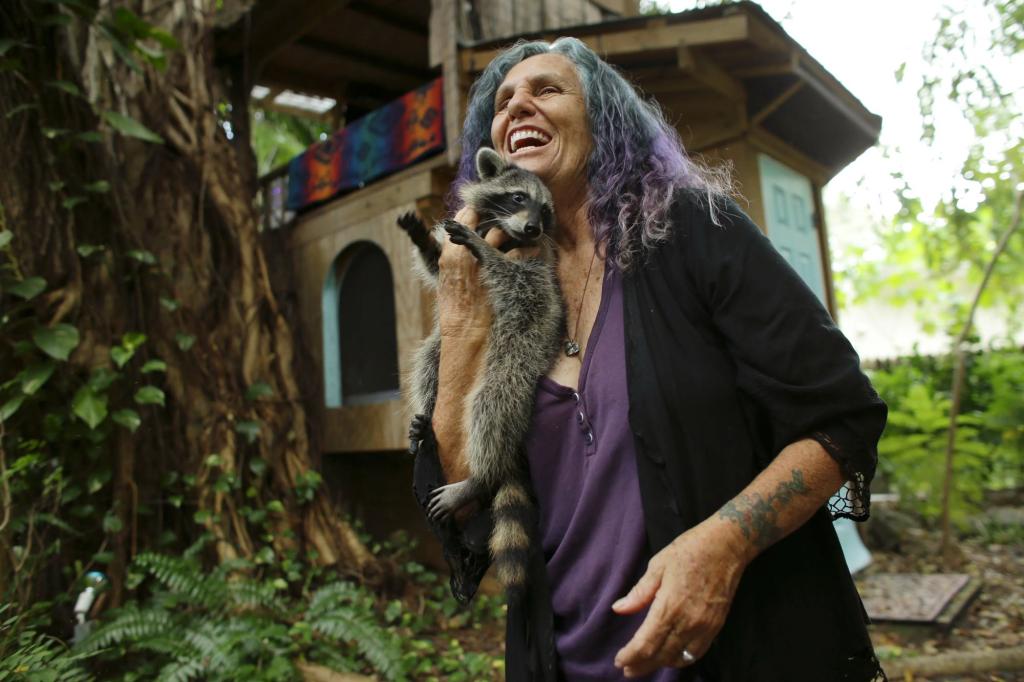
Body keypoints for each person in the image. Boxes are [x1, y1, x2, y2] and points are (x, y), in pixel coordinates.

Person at [410, 36, 888, 682]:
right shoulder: (494, 285)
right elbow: (459, 505)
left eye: (547, 89)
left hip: (747, 655)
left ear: (604, 122)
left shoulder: (691, 229)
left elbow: (842, 417)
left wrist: (725, 544)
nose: (519, 105)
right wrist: (464, 321)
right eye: (503, 102)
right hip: (567, 664)